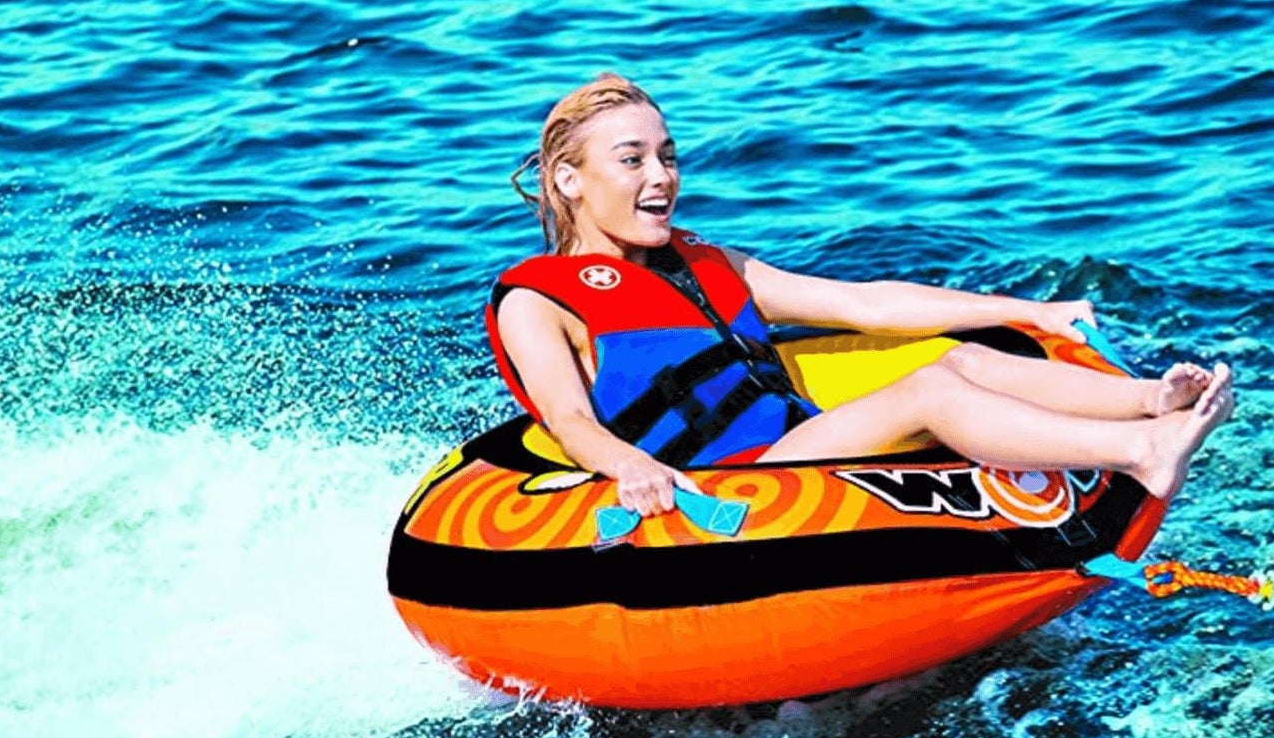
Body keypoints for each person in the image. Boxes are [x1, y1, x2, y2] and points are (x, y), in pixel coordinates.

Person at [490, 73, 1234, 519]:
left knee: (964, 360)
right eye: (632, 160)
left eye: (668, 155)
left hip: (798, 444)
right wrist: (630, 468)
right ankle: (1139, 452)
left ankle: (1149, 401)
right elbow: (569, 419)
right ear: (568, 180)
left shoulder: (703, 262)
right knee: (930, 392)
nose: (662, 176)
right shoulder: (540, 300)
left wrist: (1033, 312)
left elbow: (867, 305)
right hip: (726, 482)